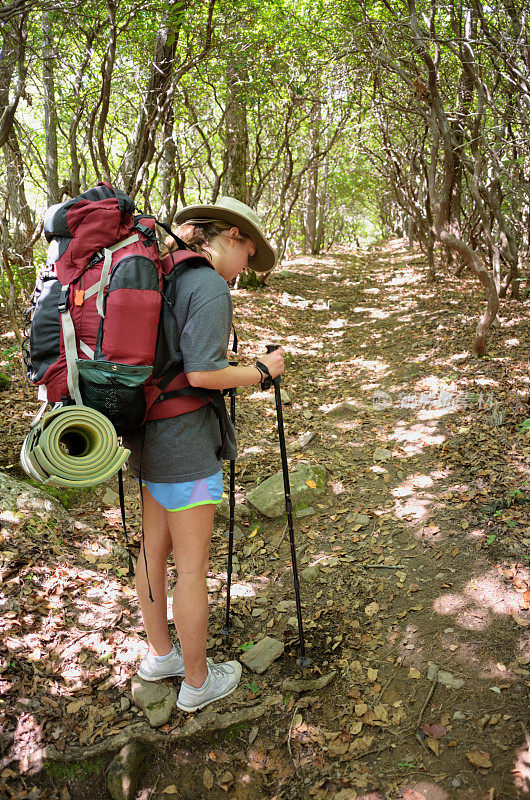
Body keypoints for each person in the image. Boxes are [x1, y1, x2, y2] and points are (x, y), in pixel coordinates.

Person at [124, 197, 284, 713]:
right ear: (231, 236)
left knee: (153, 553)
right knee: (190, 569)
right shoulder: (210, 284)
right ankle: (197, 683)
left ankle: (160, 656)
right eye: (249, 249)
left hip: (146, 437)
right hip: (186, 445)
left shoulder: (164, 274)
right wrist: (263, 370)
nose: (248, 263)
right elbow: (202, 374)